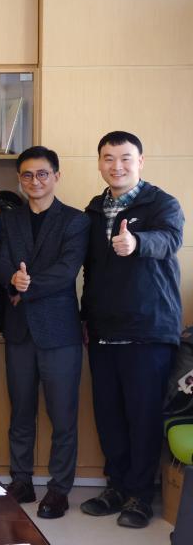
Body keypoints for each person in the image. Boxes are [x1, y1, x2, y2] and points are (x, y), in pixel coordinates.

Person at [79, 131, 183, 528]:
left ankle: (141, 495)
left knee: (143, 417)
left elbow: (170, 239)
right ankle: (117, 487)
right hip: (103, 331)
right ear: (99, 162)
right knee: (109, 417)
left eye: (125, 158)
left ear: (140, 161)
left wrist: (137, 243)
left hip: (148, 329)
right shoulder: (93, 210)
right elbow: (90, 271)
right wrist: (85, 317)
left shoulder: (162, 203)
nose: (116, 166)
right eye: (108, 158)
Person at [0, 146, 89, 519]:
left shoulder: (75, 220)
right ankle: (21, 480)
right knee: (21, 411)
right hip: (19, 331)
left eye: (43, 174)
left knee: (62, 416)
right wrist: (11, 279)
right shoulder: (8, 219)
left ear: (56, 176)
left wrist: (25, 287)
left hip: (59, 332)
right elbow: (0, 260)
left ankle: (59, 489)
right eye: (28, 175)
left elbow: (67, 270)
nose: (35, 181)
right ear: (20, 179)